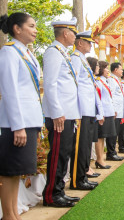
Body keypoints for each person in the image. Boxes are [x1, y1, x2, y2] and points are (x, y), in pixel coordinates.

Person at [0, 13, 43, 217]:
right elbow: (9, 91)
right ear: (17, 28)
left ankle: (13, 213)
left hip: (27, 120)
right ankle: (8, 215)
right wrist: (18, 126)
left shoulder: (25, 52)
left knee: (17, 171)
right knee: (9, 170)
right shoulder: (9, 52)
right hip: (15, 123)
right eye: (31, 26)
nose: (35, 30)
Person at [42, 17, 81, 207]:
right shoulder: (53, 53)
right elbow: (50, 85)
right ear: (65, 33)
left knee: (64, 153)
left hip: (67, 113)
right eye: (73, 33)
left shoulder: (63, 53)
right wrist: (57, 112)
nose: (75, 36)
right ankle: (51, 194)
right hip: (60, 115)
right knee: (58, 154)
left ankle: (59, 190)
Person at [70, 31, 104, 190]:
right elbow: (74, 84)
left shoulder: (82, 59)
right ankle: (77, 180)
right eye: (88, 42)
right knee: (80, 146)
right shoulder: (76, 59)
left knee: (85, 146)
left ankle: (82, 177)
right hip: (82, 109)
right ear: (80, 43)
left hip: (89, 109)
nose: (91, 45)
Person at [95, 61, 118, 167]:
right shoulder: (98, 81)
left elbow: (109, 98)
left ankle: (101, 159)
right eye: (106, 68)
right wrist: (101, 114)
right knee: (100, 136)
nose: (108, 70)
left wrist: (113, 110)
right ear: (101, 69)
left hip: (108, 112)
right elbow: (99, 98)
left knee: (104, 136)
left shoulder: (105, 81)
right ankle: (99, 159)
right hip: (103, 112)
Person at [85, 57, 103, 178]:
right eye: (96, 65)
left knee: (89, 142)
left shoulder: (94, 79)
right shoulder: (91, 78)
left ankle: (87, 167)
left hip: (93, 113)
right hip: (86, 112)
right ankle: (85, 169)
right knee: (85, 143)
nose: (98, 68)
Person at [106, 62, 124, 161]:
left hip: (118, 111)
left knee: (115, 133)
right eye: (121, 69)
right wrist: (113, 109)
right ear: (115, 70)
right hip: (115, 111)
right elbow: (111, 95)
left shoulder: (116, 80)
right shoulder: (111, 80)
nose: (122, 71)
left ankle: (113, 151)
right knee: (112, 134)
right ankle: (111, 153)